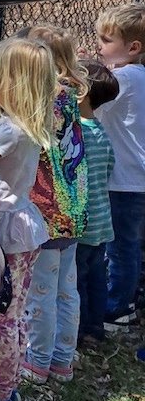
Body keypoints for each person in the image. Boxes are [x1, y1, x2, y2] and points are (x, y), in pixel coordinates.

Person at [0, 37, 57, 401]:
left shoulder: (5, 131)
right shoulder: (31, 124)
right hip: (23, 225)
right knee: (13, 313)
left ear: (10, 83)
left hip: (1, 229)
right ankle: (6, 385)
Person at [18, 26, 89, 387]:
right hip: (73, 209)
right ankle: (62, 360)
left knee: (40, 293)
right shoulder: (71, 95)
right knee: (65, 289)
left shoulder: (47, 100)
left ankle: (37, 361)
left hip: (45, 213)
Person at [94, 4, 145, 331]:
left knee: (120, 246)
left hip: (123, 180)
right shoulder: (138, 75)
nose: (100, 47)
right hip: (136, 177)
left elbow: (91, 106)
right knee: (132, 243)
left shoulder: (122, 78)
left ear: (133, 48)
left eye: (106, 41)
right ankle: (130, 297)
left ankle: (118, 309)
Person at [75, 58, 119, 348]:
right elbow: (109, 166)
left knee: (76, 279)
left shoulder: (76, 132)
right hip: (103, 222)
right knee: (96, 277)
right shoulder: (100, 130)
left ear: (81, 93)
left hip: (82, 222)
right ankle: (95, 327)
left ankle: (76, 331)